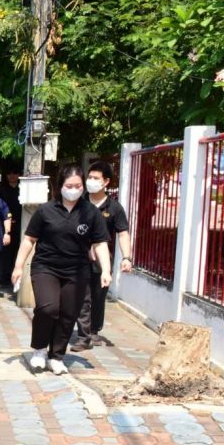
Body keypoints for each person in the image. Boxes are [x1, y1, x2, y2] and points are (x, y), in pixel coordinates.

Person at [11, 165, 111, 376]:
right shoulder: (45, 210)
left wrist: (106, 270)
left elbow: (100, 243)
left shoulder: (91, 212)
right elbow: (29, 239)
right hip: (46, 267)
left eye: (78, 186)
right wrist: (18, 266)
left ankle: (56, 356)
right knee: (48, 308)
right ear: (60, 186)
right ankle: (39, 349)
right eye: (69, 186)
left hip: (77, 270)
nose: (74, 190)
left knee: (68, 314)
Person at [72, 160, 133, 350]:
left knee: (98, 297)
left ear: (106, 181)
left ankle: (94, 330)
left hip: (102, 260)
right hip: (78, 258)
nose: (91, 181)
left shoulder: (114, 208)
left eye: (95, 178)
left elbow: (123, 233)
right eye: (89, 177)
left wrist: (127, 257)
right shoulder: (78, 203)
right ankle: (84, 335)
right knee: (82, 296)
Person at [0, 166, 23, 286]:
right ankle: (5, 276)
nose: (12, 176)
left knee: (18, 250)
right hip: (4, 225)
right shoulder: (1, 190)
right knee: (5, 252)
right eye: (9, 173)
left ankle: (16, 276)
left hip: (21, 224)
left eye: (14, 173)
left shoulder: (23, 188)